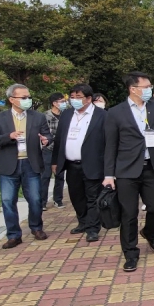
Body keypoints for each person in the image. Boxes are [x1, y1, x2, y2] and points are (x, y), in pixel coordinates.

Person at [103, 72, 154, 272]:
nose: (150, 89)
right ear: (133, 89)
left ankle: (150, 233)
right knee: (129, 213)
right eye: (146, 86)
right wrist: (109, 175)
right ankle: (130, 253)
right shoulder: (115, 113)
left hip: (152, 167)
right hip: (126, 170)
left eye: (150, 86)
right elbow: (110, 146)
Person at [0, 84, 52, 248]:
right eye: (23, 98)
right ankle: (14, 235)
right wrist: (9, 136)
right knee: (8, 200)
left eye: (29, 97)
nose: (27, 100)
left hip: (31, 163)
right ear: (12, 99)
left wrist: (46, 140)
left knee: (35, 199)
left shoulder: (38, 117)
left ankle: (36, 228)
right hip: (9, 165)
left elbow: (47, 135)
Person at [52, 84, 106, 242]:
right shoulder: (67, 114)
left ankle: (93, 228)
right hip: (71, 164)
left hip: (93, 163)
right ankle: (82, 222)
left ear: (88, 99)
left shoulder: (102, 115)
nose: (74, 100)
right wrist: (55, 161)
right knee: (76, 196)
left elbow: (108, 141)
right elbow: (59, 139)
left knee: (92, 197)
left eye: (78, 97)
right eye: (72, 97)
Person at [40, 92, 66, 210]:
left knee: (60, 175)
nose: (64, 103)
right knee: (45, 176)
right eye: (62, 101)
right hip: (48, 149)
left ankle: (58, 199)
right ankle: (42, 202)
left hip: (61, 149)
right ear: (54, 103)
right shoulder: (45, 116)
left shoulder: (65, 115)